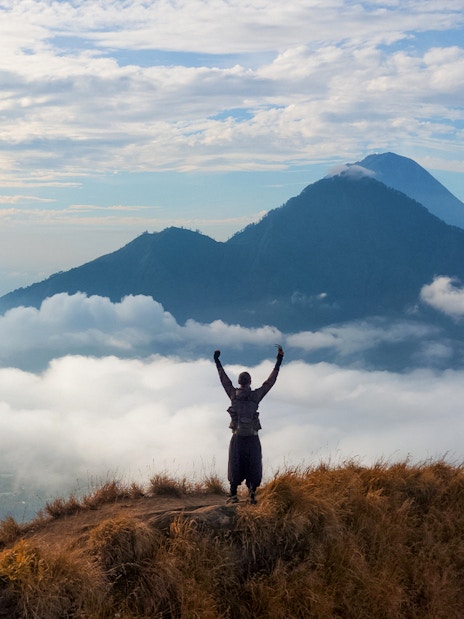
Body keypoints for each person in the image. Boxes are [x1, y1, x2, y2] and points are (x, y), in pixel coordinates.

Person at [214, 346, 284, 504]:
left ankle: (233, 495)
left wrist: (217, 361)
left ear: (239, 382)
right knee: (253, 464)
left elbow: (224, 379)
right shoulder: (255, 396)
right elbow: (270, 382)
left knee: (235, 464)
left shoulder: (233, 395)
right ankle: (252, 496)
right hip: (252, 437)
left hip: (237, 437)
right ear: (250, 382)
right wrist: (278, 361)